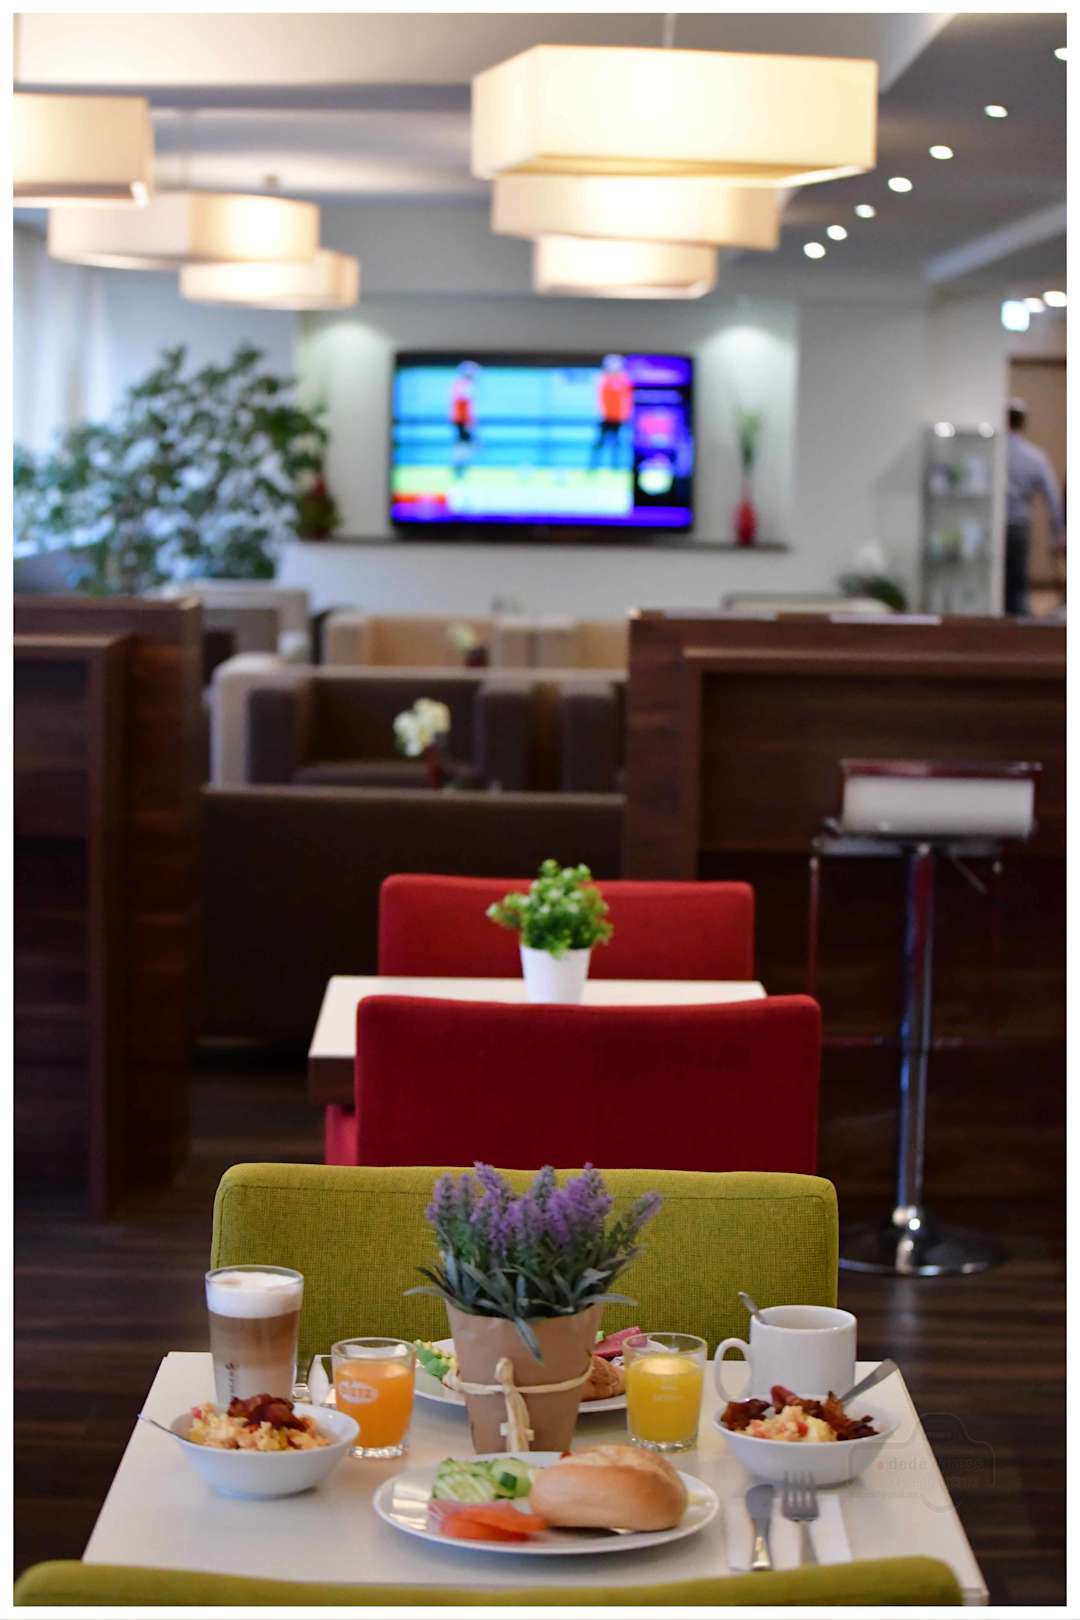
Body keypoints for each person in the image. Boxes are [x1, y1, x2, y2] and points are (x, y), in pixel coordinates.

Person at [1005, 397, 1064, 615]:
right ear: (1023, 422)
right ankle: (1019, 623)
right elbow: (1052, 497)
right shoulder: (1035, 456)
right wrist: (1058, 533)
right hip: (1019, 526)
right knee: (1017, 581)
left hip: (992, 526)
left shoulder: (994, 452)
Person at [590, 354, 633, 472]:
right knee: (600, 443)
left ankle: (616, 469)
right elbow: (600, 399)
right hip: (605, 418)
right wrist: (601, 413)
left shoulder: (624, 380)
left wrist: (626, 415)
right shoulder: (603, 379)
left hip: (619, 418)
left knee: (617, 444)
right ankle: (593, 468)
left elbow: (627, 399)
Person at [449, 361, 479, 480]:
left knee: (465, 444)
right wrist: (468, 421)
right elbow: (462, 404)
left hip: (462, 420)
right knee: (464, 445)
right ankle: (459, 470)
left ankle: (460, 470)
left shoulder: (461, 384)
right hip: (462, 420)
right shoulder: (464, 385)